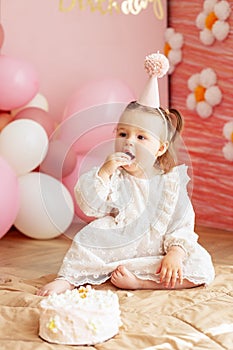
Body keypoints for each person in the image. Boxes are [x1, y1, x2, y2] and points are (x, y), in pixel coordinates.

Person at [37, 53, 215, 296]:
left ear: (160, 148)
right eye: (122, 134)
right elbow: (90, 207)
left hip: (158, 248)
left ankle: (143, 282)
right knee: (87, 239)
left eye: (141, 137)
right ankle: (68, 279)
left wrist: (175, 253)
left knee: (201, 264)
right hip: (120, 244)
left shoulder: (170, 183)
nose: (128, 142)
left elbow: (181, 223)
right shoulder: (115, 176)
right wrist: (105, 172)